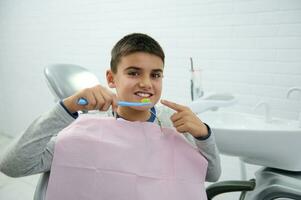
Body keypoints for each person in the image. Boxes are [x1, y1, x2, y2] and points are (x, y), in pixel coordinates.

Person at [0, 33, 221, 198]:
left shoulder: (173, 123)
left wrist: (204, 135)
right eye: (133, 73)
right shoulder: (85, 126)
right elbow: (12, 165)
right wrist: (66, 107)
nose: (146, 83)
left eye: (156, 75)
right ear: (111, 78)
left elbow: (210, 174)